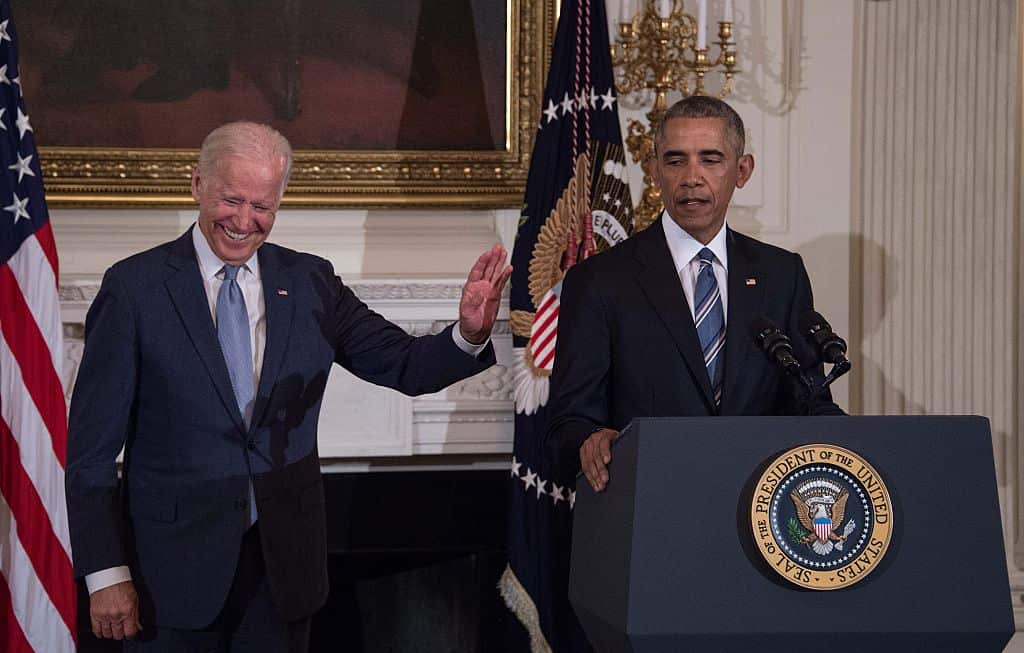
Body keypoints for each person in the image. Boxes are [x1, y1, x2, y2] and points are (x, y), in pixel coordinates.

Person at [65, 121, 512, 651]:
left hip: (282, 573)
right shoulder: (134, 289)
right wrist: (106, 572)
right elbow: (90, 451)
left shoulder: (309, 282)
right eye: (231, 199)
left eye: (262, 206)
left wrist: (468, 332)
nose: (244, 221)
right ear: (197, 185)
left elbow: (405, 365)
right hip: (170, 575)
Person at [547, 96, 844, 493]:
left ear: (742, 170)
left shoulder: (780, 274)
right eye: (675, 160)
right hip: (651, 504)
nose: (691, 177)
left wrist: (854, 439)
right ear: (654, 171)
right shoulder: (599, 280)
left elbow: (808, 398)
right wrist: (590, 438)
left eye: (710, 159)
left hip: (759, 504)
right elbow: (568, 422)